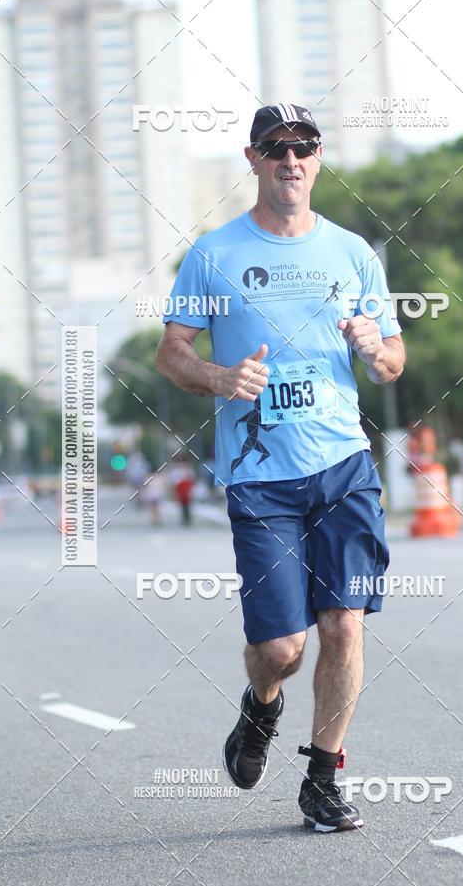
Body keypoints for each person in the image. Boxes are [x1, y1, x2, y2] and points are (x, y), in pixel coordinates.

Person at [156, 103, 405, 832]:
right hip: (260, 476)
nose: (289, 159)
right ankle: (261, 706)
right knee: (281, 647)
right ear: (254, 159)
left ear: (318, 158)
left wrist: (375, 349)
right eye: (275, 147)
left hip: (343, 465)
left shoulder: (353, 253)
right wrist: (219, 376)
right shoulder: (213, 255)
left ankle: (323, 778)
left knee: (345, 624)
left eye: (303, 146)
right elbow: (171, 353)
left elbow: (393, 362)